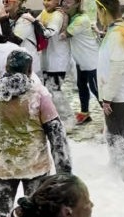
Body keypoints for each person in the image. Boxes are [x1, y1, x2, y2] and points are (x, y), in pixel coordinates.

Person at [0, 50, 71, 217]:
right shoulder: (38, 94)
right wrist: (64, 170)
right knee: (37, 214)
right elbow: (56, 132)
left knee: (0, 216)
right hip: (35, 165)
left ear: (6, 68)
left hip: (2, 166)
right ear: (29, 70)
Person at [96, 0, 124, 182]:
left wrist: (107, 98)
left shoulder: (118, 35)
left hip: (118, 95)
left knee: (114, 136)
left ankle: (121, 177)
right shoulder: (120, 30)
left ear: (103, 10)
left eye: (98, 11)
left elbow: (117, 68)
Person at [38, 0, 75, 128]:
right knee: (49, 90)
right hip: (48, 60)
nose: (45, 3)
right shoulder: (45, 12)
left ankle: (68, 118)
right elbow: (37, 22)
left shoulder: (58, 15)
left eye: (49, 0)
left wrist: (32, 23)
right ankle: (54, 117)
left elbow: (49, 32)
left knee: (55, 90)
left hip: (58, 61)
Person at [64, 0, 100, 125]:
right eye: (64, 1)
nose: (65, 4)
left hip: (92, 62)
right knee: (81, 85)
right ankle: (85, 113)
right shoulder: (73, 17)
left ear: (77, 4)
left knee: (96, 90)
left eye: (69, 2)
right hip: (82, 61)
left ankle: (112, 119)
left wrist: (62, 16)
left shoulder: (81, 20)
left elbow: (64, 35)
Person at [0, 0, 41, 74]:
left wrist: (3, 21)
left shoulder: (25, 18)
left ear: (18, 2)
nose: (5, 3)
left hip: (29, 67)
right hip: (17, 64)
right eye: (3, 1)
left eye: (7, 1)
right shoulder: (9, 19)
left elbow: (14, 42)